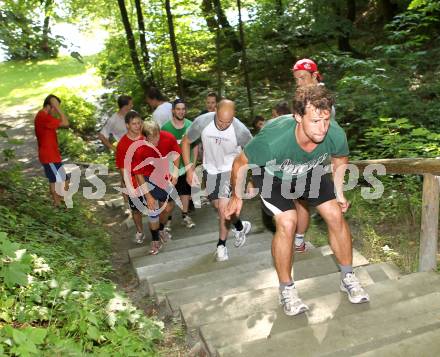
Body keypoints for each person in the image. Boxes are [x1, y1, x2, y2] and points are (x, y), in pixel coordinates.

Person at [225, 86, 369, 316]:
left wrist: (339, 191)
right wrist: (236, 195)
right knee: (288, 222)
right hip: (273, 175)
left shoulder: (334, 133)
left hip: (309, 172)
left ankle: (347, 276)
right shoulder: (272, 140)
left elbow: (340, 158)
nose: (322, 128)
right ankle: (287, 289)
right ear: (298, 117)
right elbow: (240, 163)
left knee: (335, 214)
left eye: (326, 120)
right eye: (314, 121)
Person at [182, 99, 252, 262]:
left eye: (228, 122)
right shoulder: (202, 122)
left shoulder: (240, 131)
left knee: (223, 208)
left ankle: (221, 245)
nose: (223, 126)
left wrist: (250, 180)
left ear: (233, 116)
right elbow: (186, 142)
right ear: (215, 111)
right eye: (220, 121)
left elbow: (253, 153)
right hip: (210, 169)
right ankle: (240, 226)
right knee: (220, 206)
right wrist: (188, 169)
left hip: (231, 169)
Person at [134, 120, 181, 255]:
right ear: (145, 137)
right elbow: (138, 174)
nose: (155, 140)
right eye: (151, 138)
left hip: (166, 177)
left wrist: (176, 173)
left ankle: (160, 229)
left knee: (168, 208)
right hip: (149, 179)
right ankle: (155, 241)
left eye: (156, 136)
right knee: (153, 210)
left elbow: (176, 154)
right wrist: (148, 196)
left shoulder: (168, 138)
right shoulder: (139, 148)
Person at [162, 99, 199, 230]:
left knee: (185, 192)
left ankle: (185, 215)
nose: (181, 111)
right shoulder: (165, 128)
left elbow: (195, 147)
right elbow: (162, 149)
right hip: (171, 168)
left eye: (183, 109)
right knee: (170, 195)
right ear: (173, 110)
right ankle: (168, 220)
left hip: (186, 166)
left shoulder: (190, 125)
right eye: (178, 109)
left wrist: (192, 166)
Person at [115, 111, 146, 244]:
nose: (137, 126)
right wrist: (128, 186)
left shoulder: (146, 137)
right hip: (133, 181)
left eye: (139, 123)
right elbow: (123, 168)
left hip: (150, 178)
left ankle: (160, 229)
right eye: (134, 124)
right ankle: (140, 231)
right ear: (127, 125)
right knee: (136, 210)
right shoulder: (122, 144)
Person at [34, 94, 70, 207]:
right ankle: (58, 203)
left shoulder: (42, 116)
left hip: (50, 155)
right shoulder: (43, 117)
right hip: (50, 156)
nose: (55, 111)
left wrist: (56, 106)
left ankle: (58, 204)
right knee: (64, 180)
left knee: (54, 180)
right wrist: (58, 109)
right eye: (55, 108)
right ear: (49, 106)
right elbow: (65, 123)